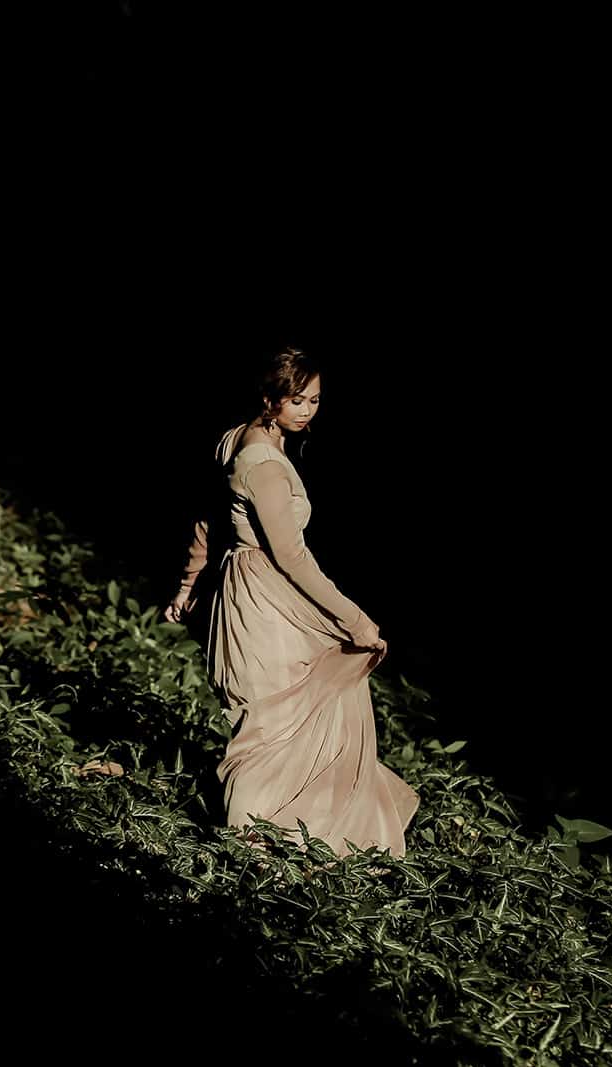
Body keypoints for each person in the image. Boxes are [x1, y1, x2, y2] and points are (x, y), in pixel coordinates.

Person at [164, 348, 419, 858]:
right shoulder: (261, 465)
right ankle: (250, 845)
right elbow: (291, 556)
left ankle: (287, 833)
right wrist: (354, 617)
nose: (307, 410)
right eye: (296, 400)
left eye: (315, 400)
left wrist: (189, 585)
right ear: (268, 398)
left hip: (254, 589)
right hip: (265, 600)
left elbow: (207, 523)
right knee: (272, 724)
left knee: (303, 715)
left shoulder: (238, 439)